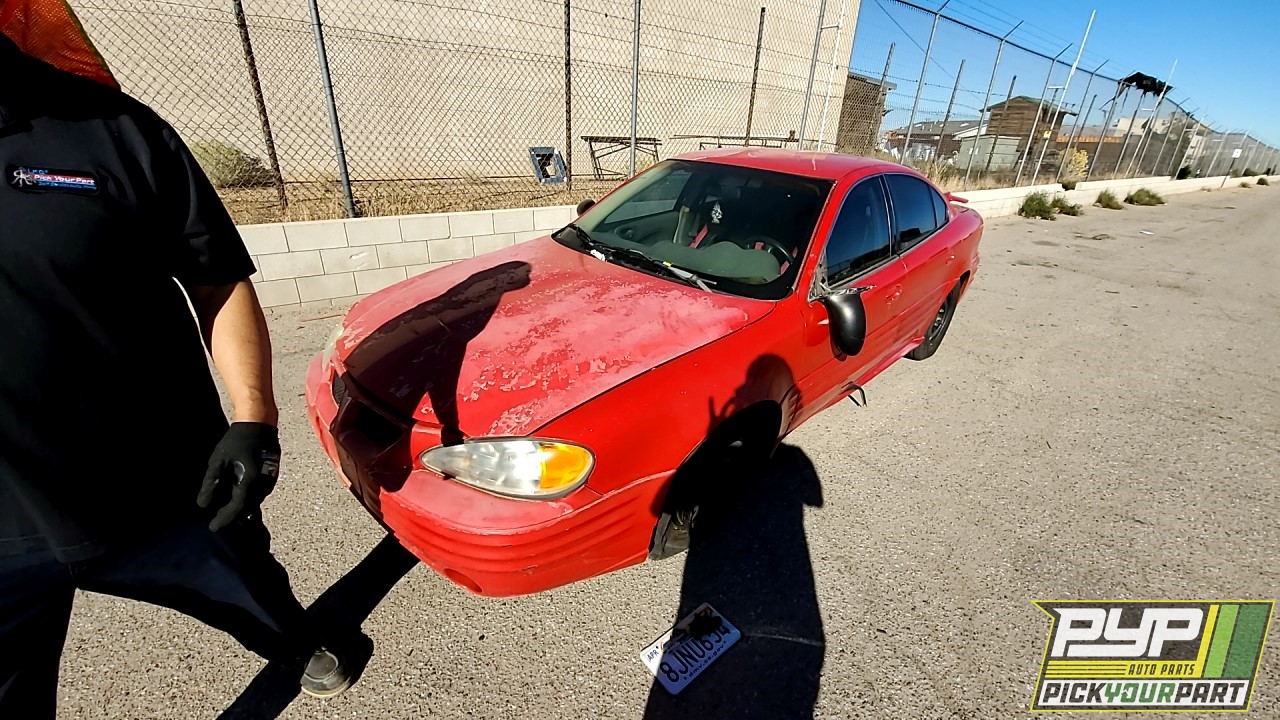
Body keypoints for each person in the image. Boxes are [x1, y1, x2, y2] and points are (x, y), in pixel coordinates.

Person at [0, 19, 351, 717]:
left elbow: (215, 278)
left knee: (254, 597)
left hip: (167, 489)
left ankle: (293, 641)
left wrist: (254, 416)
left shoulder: (112, 128)